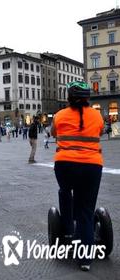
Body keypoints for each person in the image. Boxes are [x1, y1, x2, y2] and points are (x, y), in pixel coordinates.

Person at [51, 81, 104, 272]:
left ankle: (68, 228)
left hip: (64, 164)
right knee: (86, 210)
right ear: (88, 98)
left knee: (65, 191)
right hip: (91, 166)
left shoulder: (59, 115)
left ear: (69, 98)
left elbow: (53, 132)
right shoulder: (97, 115)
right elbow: (99, 130)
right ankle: (85, 259)